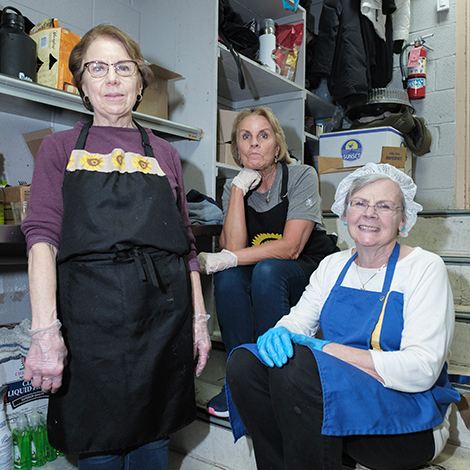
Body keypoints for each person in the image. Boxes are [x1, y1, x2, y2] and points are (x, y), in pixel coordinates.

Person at [21, 24, 211, 470]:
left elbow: (185, 244)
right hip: (91, 317)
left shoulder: (164, 153)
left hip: (164, 314)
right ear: (82, 84)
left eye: (124, 68)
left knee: (154, 432)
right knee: (98, 436)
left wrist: (199, 319)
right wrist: (45, 332)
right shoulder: (58, 148)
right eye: (98, 68)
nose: (112, 78)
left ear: (140, 83)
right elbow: (42, 239)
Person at [225, 162, 461, 470]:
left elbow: (422, 370)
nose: (370, 213)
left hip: (406, 420)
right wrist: (281, 330)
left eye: (385, 206)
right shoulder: (333, 265)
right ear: (345, 213)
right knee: (246, 364)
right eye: (360, 203)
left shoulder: (424, 268)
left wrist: (327, 349)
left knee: (298, 368)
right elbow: (298, 321)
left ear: (403, 220)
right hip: (338, 403)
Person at [197, 106, 338, 418]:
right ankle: (238, 381)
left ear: (277, 145)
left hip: (306, 267)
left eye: (263, 135)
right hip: (263, 268)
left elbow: (289, 248)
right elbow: (233, 247)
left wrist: (227, 257)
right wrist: (236, 189)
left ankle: (277, 378)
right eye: (245, 137)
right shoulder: (233, 186)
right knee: (229, 278)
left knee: (268, 270)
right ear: (237, 148)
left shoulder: (302, 175)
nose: (254, 143)